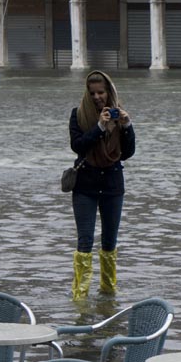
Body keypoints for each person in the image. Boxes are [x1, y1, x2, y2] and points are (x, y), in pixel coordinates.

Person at [69, 70, 135, 300]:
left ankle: (108, 295)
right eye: (92, 93)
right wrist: (98, 127)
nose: (97, 97)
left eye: (101, 92)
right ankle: (80, 297)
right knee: (84, 241)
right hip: (85, 185)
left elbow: (127, 153)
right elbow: (77, 146)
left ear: (109, 92)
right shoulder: (78, 115)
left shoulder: (119, 116)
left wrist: (127, 126)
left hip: (112, 185)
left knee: (109, 242)